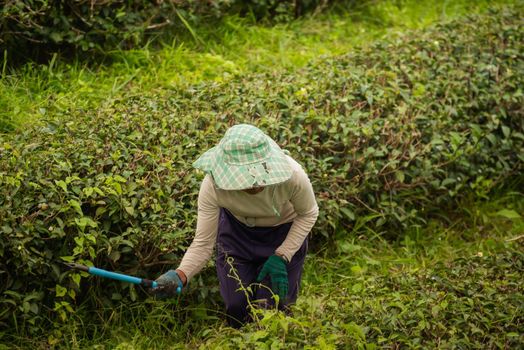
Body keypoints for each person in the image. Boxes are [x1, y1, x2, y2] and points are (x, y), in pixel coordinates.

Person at [153, 124, 318, 327]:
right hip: (237, 236)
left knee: (271, 310)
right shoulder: (213, 186)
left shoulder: (293, 176)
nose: (255, 183)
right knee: (236, 306)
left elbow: (309, 213)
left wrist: (283, 255)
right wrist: (180, 275)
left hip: (283, 234)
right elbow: (203, 243)